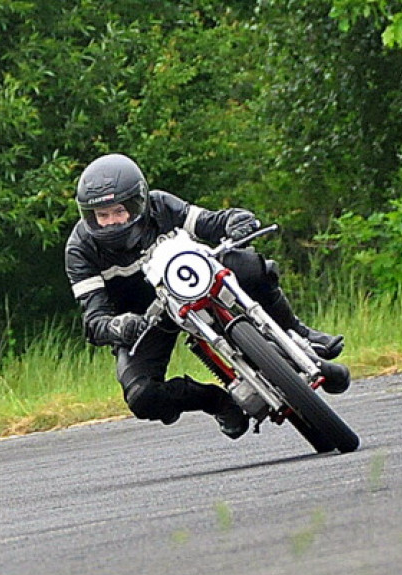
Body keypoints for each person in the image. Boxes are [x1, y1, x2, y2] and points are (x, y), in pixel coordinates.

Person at [65, 153, 350, 439]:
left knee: (248, 264)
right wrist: (119, 325)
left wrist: (235, 220)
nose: (111, 223)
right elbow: (94, 319)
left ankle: (300, 334)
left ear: (138, 203)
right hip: (145, 319)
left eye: (118, 212)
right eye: (102, 216)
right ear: (89, 216)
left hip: (195, 285)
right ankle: (215, 401)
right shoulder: (80, 250)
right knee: (142, 396)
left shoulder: (162, 205)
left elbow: (210, 222)